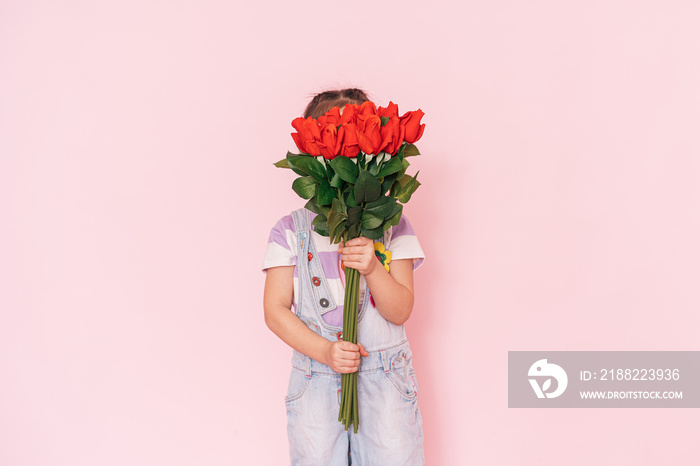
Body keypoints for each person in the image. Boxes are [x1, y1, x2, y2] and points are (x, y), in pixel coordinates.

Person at [262, 88, 425, 465]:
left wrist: (372, 268)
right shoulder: (291, 231)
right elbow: (274, 310)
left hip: (385, 384)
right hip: (316, 382)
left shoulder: (391, 226)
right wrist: (325, 352)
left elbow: (400, 310)